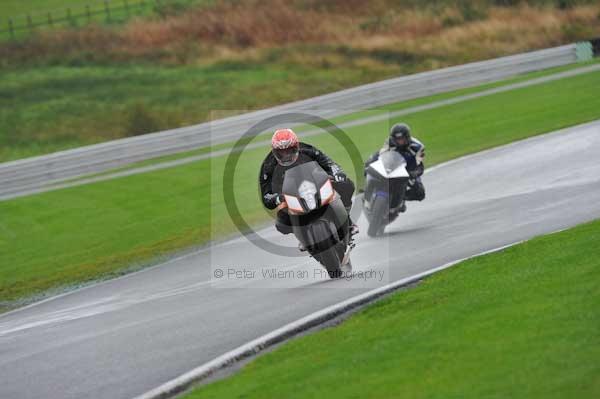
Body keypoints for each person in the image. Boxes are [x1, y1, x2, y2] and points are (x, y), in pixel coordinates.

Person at [259, 128, 359, 243]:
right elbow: (266, 196)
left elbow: (329, 163)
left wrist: (337, 174)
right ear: (274, 152)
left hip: (314, 183)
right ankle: (302, 238)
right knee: (281, 225)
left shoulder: (307, 150)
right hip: (288, 195)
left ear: (296, 147)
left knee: (346, 185)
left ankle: (348, 222)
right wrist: (277, 198)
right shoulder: (268, 165)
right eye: (281, 153)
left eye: (289, 150)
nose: (286, 155)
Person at [364, 123, 426, 215]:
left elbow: (420, 165)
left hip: (409, 170)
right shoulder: (389, 142)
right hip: (392, 166)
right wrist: (370, 162)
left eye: (402, 139)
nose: (400, 141)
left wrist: (414, 173)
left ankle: (401, 200)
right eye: (397, 139)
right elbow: (379, 155)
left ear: (407, 137)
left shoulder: (417, 147)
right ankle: (368, 197)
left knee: (420, 193)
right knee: (368, 169)